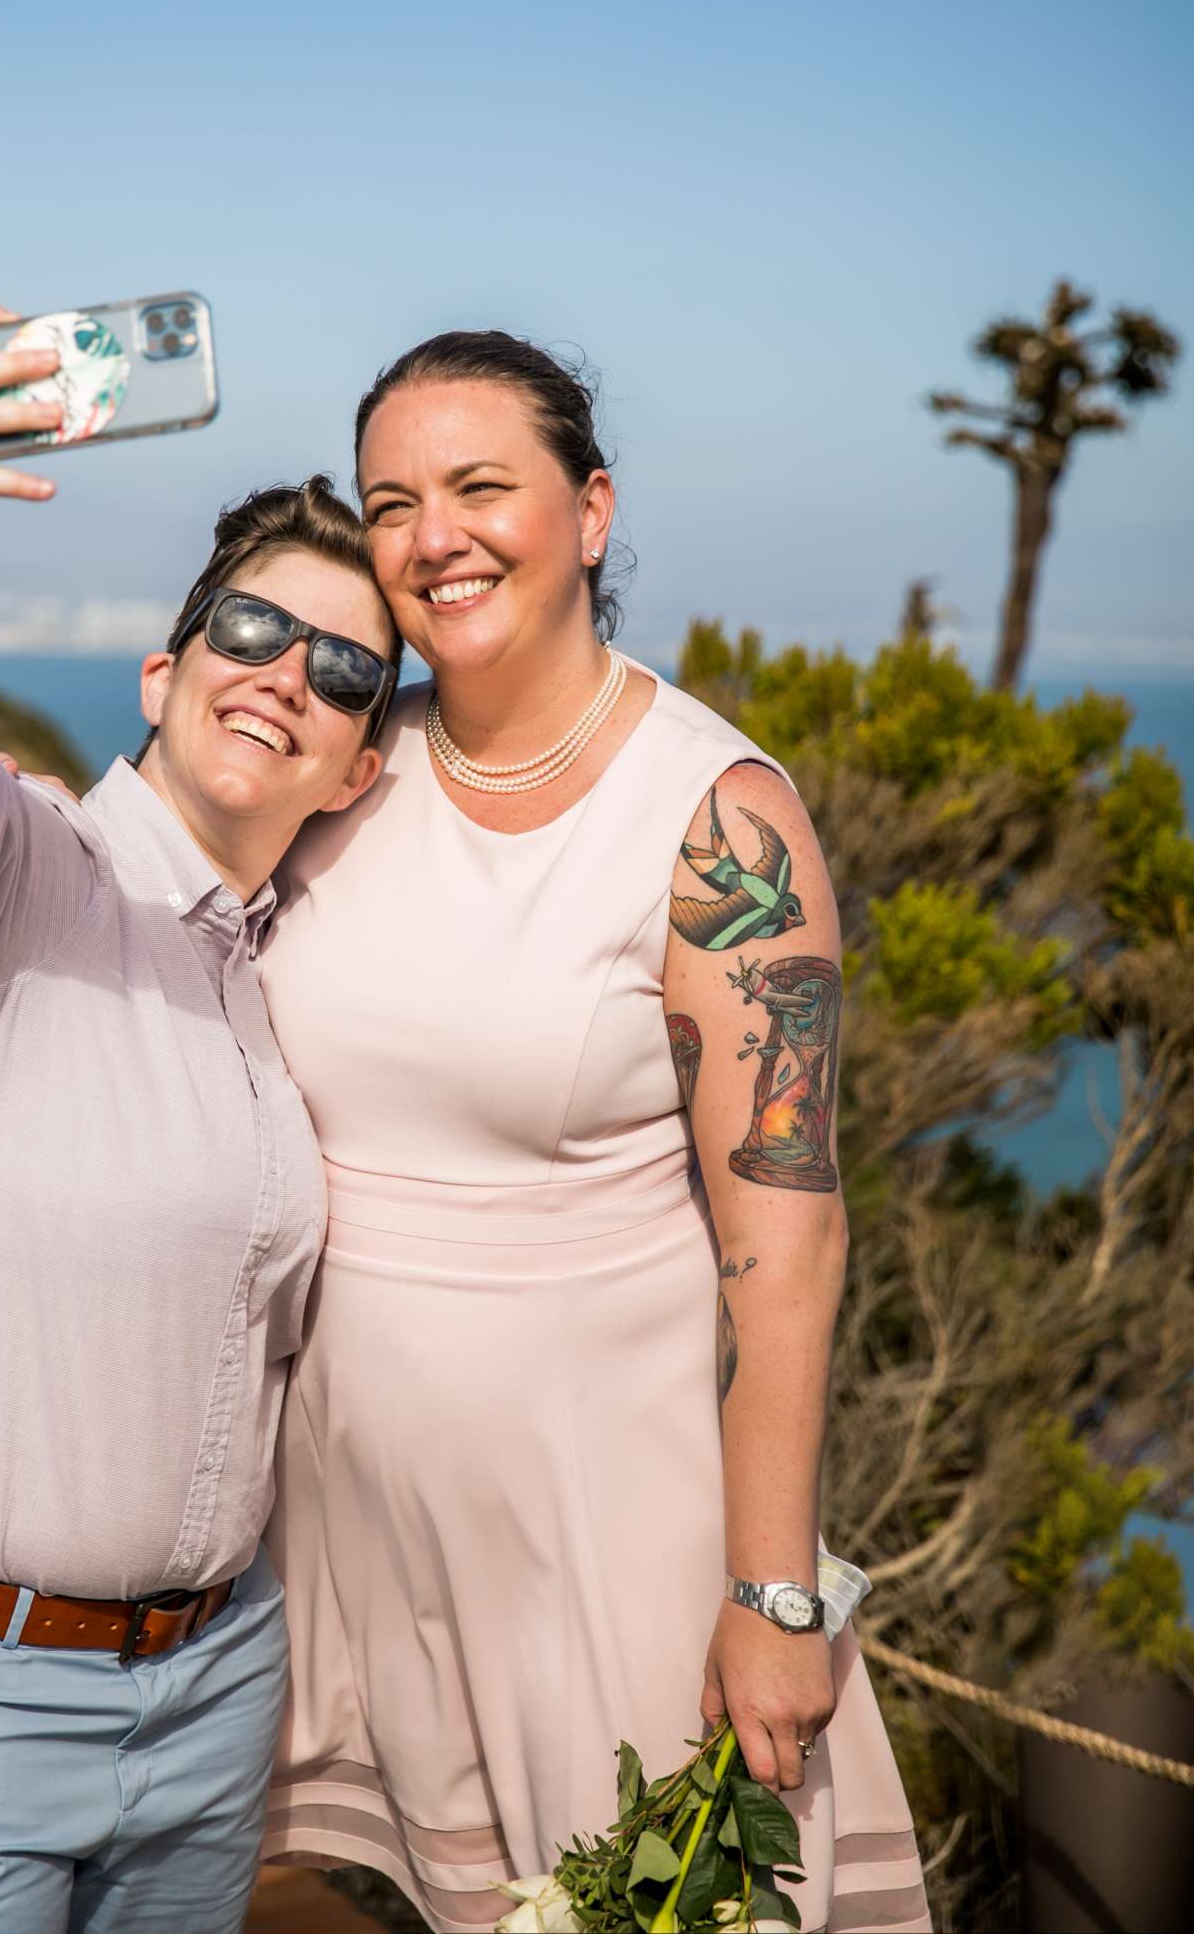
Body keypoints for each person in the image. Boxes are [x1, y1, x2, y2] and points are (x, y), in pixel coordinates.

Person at [0, 301, 400, 1934]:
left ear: (361, 763)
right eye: (251, 628)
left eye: (343, 669)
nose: (285, 677)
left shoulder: (275, 988)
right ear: (166, 672)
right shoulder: (23, 876)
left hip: (206, 1700)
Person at [256, 333, 931, 1934]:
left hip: (601, 1543)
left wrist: (774, 1597)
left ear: (593, 510)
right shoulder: (348, 766)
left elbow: (788, 1241)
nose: (435, 538)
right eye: (393, 503)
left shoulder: (716, 819)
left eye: (484, 488)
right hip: (367, 1538)